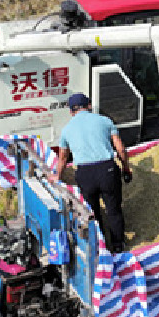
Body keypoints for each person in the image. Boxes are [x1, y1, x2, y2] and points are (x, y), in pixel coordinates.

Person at [52, 93, 134, 252]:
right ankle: (118, 245)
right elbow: (121, 149)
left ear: (71, 111)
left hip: (85, 173)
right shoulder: (104, 120)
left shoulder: (67, 130)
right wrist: (125, 167)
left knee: (92, 212)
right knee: (113, 209)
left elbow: (62, 157)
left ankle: (100, 246)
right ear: (89, 105)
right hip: (107, 170)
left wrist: (58, 176)